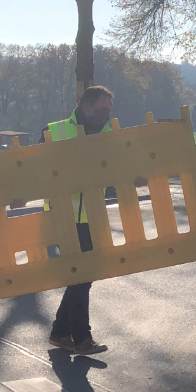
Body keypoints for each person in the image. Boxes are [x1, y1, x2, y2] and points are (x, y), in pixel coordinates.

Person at [11, 85, 143, 355]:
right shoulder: (55, 130)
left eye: (109, 109)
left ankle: (60, 333)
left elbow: (117, 168)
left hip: (92, 217)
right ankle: (82, 339)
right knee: (82, 274)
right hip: (61, 216)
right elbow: (36, 166)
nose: (106, 115)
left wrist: (132, 179)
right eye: (102, 109)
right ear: (86, 106)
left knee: (82, 276)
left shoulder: (107, 135)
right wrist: (23, 193)